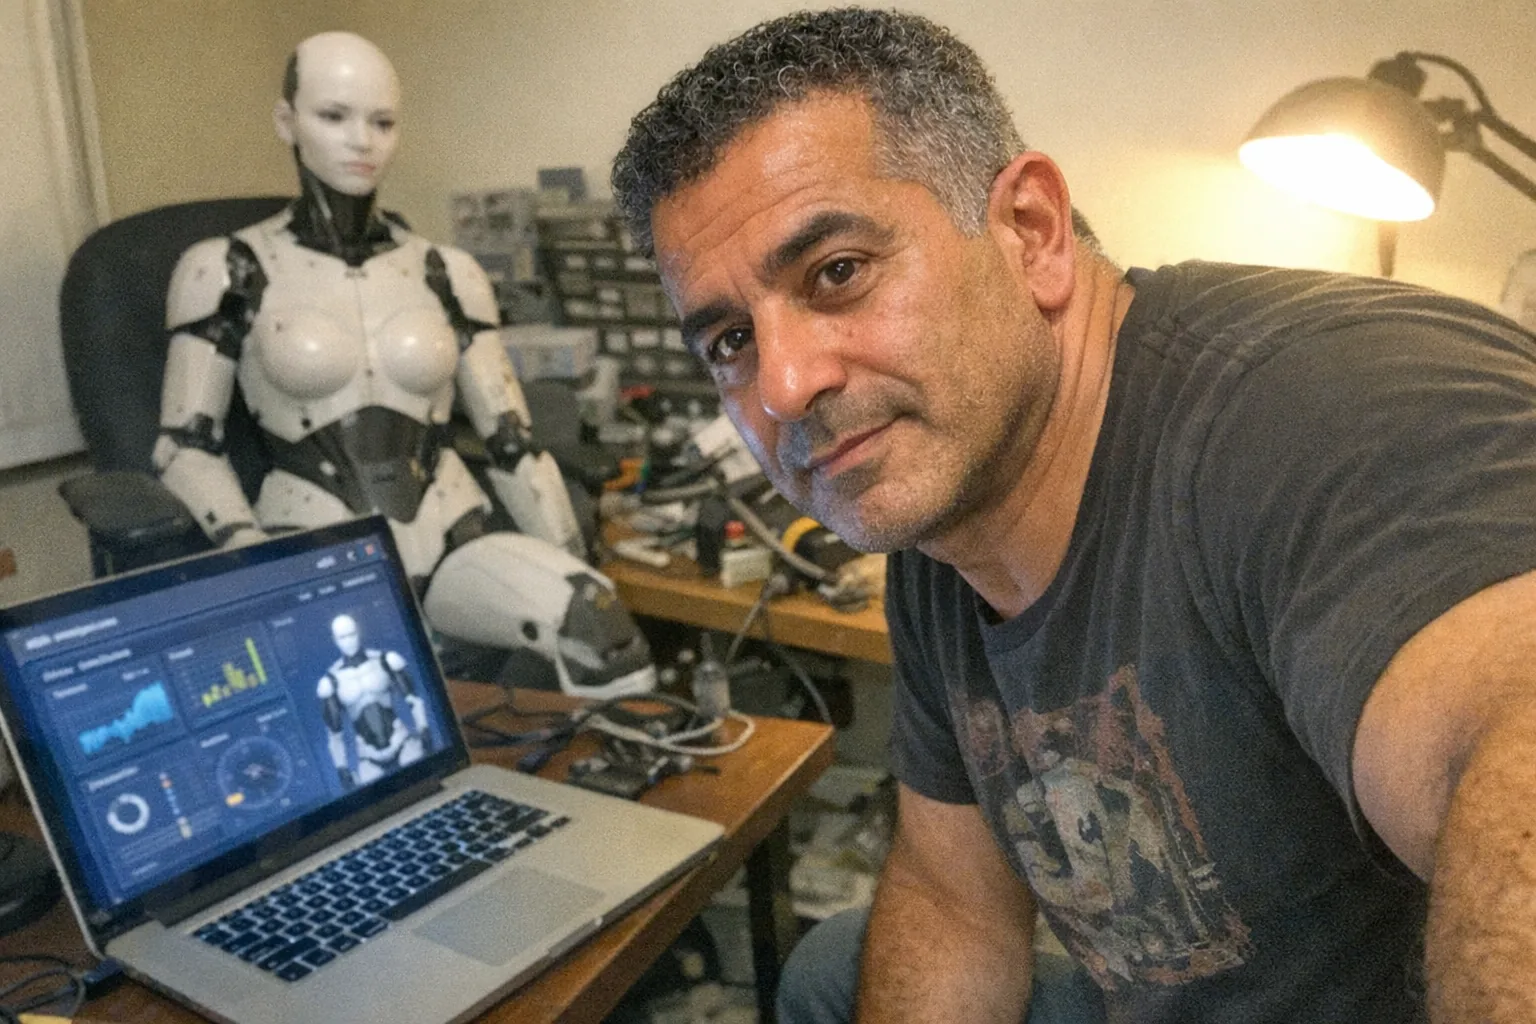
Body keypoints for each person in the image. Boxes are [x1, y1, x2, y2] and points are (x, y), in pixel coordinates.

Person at [611, 8, 1536, 1022]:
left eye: (838, 272)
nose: (784, 384)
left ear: (1031, 233)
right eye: (732, 340)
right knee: (839, 960)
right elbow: (956, 899)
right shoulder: (938, 505)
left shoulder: (1320, 410)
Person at [155, 31, 653, 699]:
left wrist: (573, 565)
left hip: (451, 534)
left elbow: (512, 442)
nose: (361, 140)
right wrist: (250, 556)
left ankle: (604, 802)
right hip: (312, 538)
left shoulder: (448, 271)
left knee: (596, 626)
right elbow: (184, 446)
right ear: (287, 121)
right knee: (368, 696)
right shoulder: (226, 268)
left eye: (382, 122)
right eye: (334, 116)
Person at [316, 612, 431, 787]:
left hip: (402, 743)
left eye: (351, 634)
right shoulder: (331, 682)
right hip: (369, 758)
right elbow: (334, 735)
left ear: (358, 632)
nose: (348, 641)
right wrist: (341, 767)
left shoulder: (385, 660)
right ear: (335, 639)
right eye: (342, 637)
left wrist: (423, 729)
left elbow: (414, 701)